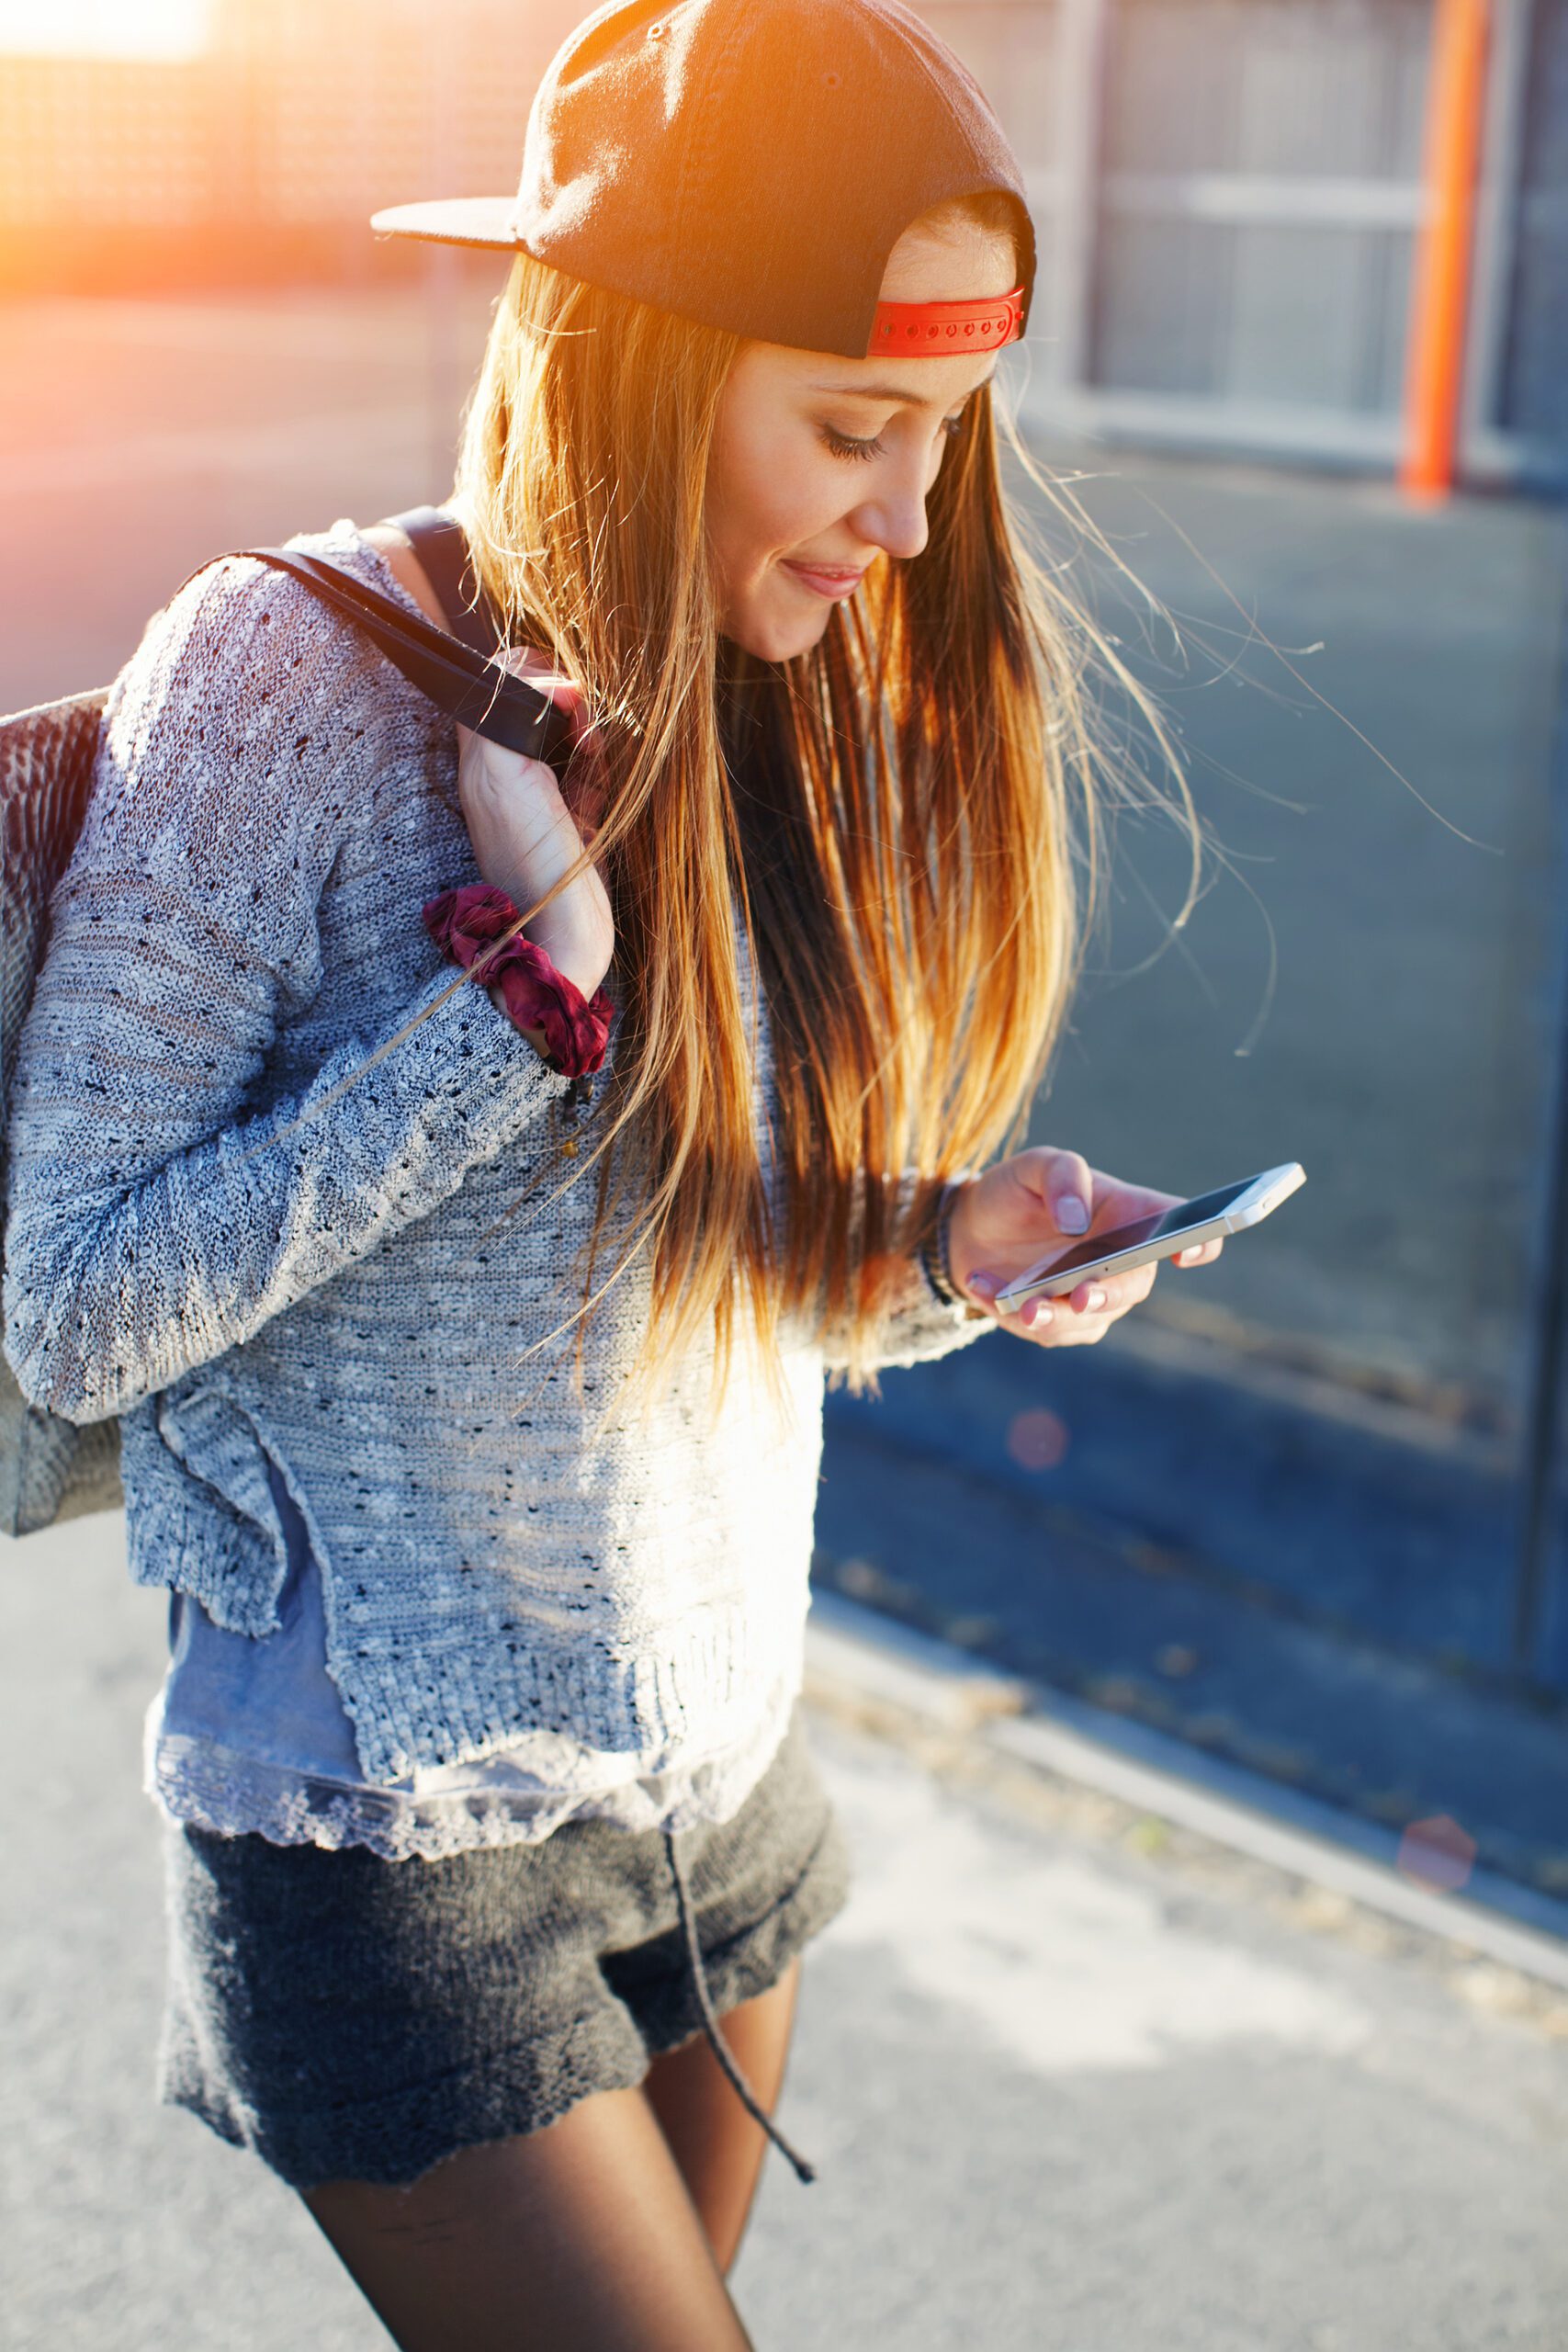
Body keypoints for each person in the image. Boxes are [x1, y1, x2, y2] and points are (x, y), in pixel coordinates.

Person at [2, 2, 1223, 2346]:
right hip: (386, 1848)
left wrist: (933, 1249)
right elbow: (69, 1302)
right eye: (856, 429)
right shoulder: (275, 677)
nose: (905, 518)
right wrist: (517, 1014)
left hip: (715, 1792)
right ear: (639, 374)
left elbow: (688, 1258)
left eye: (944, 441)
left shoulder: (763, 674)